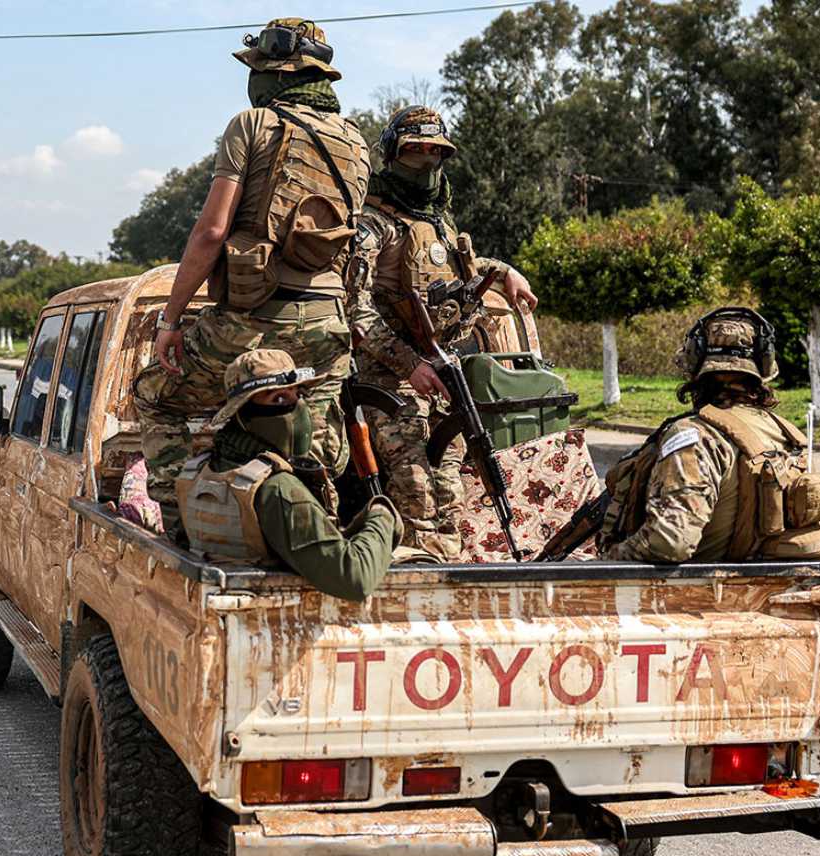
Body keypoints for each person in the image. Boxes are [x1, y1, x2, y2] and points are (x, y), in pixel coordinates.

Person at [132, 17, 371, 530]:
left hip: (254, 321)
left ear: (274, 74)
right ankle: (313, 530)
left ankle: (182, 528)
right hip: (329, 326)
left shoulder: (253, 124)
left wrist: (170, 320)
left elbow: (211, 233)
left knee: (156, 398)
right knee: (313, 435)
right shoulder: (356, 141)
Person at [343, 105, 542, 561]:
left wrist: (506, 272)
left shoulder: (439, 221)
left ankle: (447, 574)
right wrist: (408, 364)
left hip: (442, 378)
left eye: (436, 152)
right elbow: (354, 308)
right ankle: (414, 579)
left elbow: (460, 274)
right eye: (415, 152)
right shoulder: (372, 226)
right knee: (415, 489)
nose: (427, 163)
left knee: (450, 487)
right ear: (391, 155)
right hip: (386, 381)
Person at [597, 307, 820, 563]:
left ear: (694, 364)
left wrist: (609, 559)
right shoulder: (788, 435)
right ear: (763, 368)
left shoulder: (694, 436)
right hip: (772, 591)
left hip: (700, 594)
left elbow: (668, 542)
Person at [177, 349, 401, 601]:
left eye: (299, 395)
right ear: (243, 413)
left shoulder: (199, 470)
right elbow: (354, 579)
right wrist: (382, 516)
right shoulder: (278, 488)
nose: (298, 409)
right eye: (278, 400)